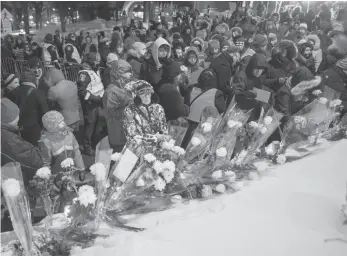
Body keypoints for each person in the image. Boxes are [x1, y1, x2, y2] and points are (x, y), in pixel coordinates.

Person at [1, 98, 44, 186]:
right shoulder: (9, 139)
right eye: (15, 121)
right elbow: (36, 160)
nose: (18, 121)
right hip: (14, 181)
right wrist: (43, 145)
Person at [181, 69, 226, 148]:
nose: (206, 77)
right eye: (205, 75)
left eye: (209, 76)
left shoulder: (217, 93)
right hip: (188, 124)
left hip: (200, 127)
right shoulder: (192, 88)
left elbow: (221, 110)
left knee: (191, 149)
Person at [9, 70, 49, 146]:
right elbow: (45, 114)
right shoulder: (39, 93)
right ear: (34, 80)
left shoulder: (12, 93)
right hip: (35, 131)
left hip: (17, 130)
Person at [77, 52, 105, 155]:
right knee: (89, 125)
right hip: (90, 104)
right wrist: (94, 98)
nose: (98, 62)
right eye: (96, 60)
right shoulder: (84, 73)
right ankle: (87, 147)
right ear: (91, 61)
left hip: (96, 103)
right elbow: (82, 92)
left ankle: (93, 144)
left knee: (95, 124)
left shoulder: (93, 70)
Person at [103, 61, 133, 152]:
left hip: (127, 130)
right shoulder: (111, 91)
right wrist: (131, 107)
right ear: (119, 73)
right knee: (119, 160)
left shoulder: (124, 87)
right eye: (127, 71)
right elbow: (112, 112)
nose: (130, 74)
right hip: (118, 133)